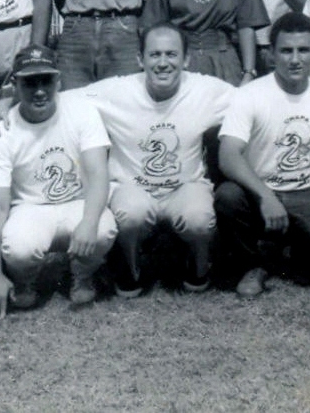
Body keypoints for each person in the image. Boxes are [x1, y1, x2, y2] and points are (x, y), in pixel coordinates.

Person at [81, 24, 235, 295]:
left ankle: (198, 263)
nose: (163, 63)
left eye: (171, 54)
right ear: (140, 59)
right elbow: (66, 101)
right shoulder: (116, 91)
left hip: (185, 187)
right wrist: (9, 102)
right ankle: (130, 266)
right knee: (132, 213)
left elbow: (253, 100)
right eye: (154, 55)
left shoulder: (205, 90)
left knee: (198, 217)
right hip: (132, 188)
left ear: (186, 59)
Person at [215, 12, 310, 297]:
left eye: (303, 50)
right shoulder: (250, 94)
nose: (295, 59)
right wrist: (265, 195)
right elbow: (228, 155)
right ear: (272, 54)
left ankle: (283, 250)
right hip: (258, 189)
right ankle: (253, 264)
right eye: (286, 51)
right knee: (227, 197)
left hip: (307, 189)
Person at [0, 45, 116, 320]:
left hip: (76, 201)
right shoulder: (3, 129)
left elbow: (97, 175)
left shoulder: (81, 110)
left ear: (59, 81)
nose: (40, 90)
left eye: (46, 80)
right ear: (15, 85)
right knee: (19, 248)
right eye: (30, 82)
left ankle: (82, 274)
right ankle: (24, 280)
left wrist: (89, 221)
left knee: (102, 228)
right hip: (30, 207)